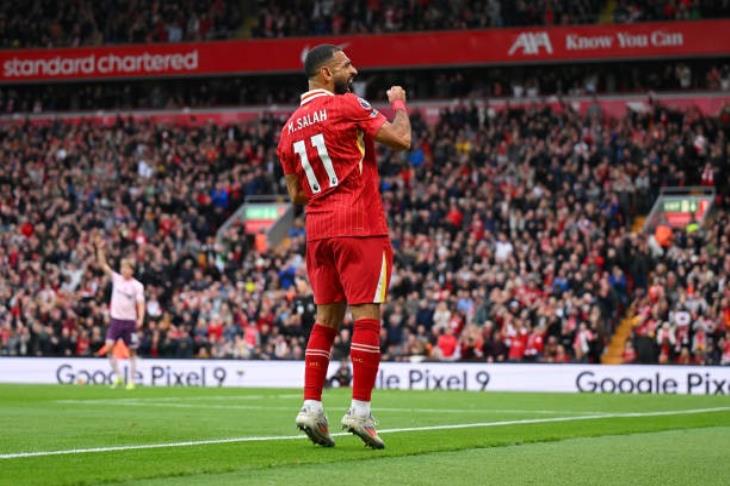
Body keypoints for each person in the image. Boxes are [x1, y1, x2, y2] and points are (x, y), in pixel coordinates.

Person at [277, 44, 411, 449]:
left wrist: (326, 185)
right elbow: (401, 140)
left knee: (324, 320)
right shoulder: (348, 105)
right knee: (366, 315)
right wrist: (399, 103)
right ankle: (360, 412)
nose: (353, 68)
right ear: (325, 75)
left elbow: (297, 194)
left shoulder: (288, 130)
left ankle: (312, 408)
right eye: (345, 65)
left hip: (318, 231)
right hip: (360, 224)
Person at [94, 236, 145, 390]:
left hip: (129, 322)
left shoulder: (137, 286)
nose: (124, 271)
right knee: (109, 347)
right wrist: (100, 249)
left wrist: (141, 318)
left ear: (132, 270)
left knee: (131, 351)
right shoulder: (117, 279)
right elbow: (102, 265)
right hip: (116, 320)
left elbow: (140, 303)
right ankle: (118, 377)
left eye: (127, 268)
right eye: (122, 268)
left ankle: (132, 380)